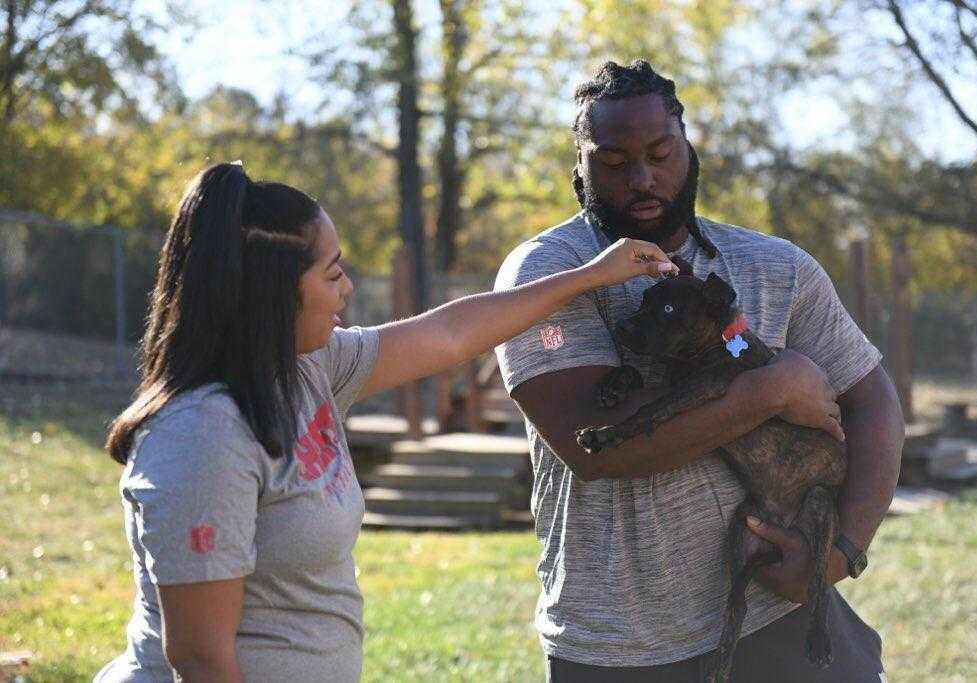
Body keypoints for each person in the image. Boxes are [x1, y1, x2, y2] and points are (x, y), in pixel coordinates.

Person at [94, 161, 677, 683]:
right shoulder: (203, 436)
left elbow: (450, 334)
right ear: (272, 293)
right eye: (332, 273)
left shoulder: (304, 369)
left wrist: (588, 276)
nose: (347, 287)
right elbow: (199, 661)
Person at [494, 60, 904, 682]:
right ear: (579, 166)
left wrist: (842, 552)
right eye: (613, 162)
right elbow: (597, 449)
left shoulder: (776, 268)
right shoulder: (547, 278)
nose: (643, 179)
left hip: (776, 616)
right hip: (619, 645)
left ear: (688, 146)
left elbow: (874, 401)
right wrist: (767, 392)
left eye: (661, 152)